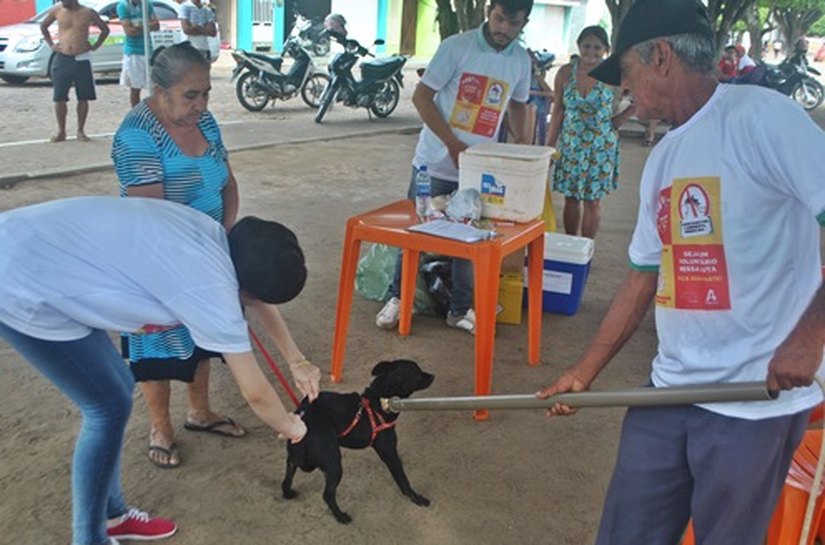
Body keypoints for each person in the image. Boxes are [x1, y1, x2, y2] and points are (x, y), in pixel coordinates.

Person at [537, 1, 825, 544]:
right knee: (627, 532)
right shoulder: (665, 157)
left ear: (662, 57)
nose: (625, 92)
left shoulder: (762, 119)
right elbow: (643, 277)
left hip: (752, 400)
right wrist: (585, 370)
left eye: (627, 75)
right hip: (668, 390)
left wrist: (809, 338)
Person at [0, 196, 321, 545]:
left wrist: (296, 359)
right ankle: (91, 537)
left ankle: (111, 515)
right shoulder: (211, 285)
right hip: (20, 282)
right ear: (247, 288)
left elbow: (256, 298)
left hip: (46, 254)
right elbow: (255, 391)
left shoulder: (219, 239)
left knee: (116, 394)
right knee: (106, 407)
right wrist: (294, 428)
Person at [111, 43, 312, 469]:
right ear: (159, 89)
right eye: (190, 95)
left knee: (206, 338)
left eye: (205, 93)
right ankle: (160, 426)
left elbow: (228, 182)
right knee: (159, 344)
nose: (201, 104)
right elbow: (153, 218)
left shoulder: (206, 122)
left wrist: (224, 236)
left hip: (211, 244)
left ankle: (199, 412)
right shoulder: (137, 136)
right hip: (161, 258)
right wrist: (204, 258)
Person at [375, 0, 534, 335]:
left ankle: (460, 309)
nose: (504, 29)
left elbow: (519, 106)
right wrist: (452, 144)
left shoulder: (520, 60)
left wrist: (522, 146)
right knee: (416, 234)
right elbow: (422, 97)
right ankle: (398, 298)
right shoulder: (456, 47)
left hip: (479, 172)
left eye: (514, 23)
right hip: (433, 163)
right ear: (488, 11)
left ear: (525, 23)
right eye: (500, 19)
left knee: (470, 239)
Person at [546, 26, 636, 239]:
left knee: (592, 200)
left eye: (597, 47)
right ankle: (571, 243)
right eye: (586, 46)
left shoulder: (615, 73)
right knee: (571, 198)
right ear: (579, 46)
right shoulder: (565, 73)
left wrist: (621, 119)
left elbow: (641, 95)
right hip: (571, 145)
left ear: (605, 49)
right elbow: (558, 111)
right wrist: (549, 147)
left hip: (600, 148)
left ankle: (586, 248)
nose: (591, 52)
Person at [39, 0, 109, 143]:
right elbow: (44, 26)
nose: (63, 2)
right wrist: (51, 44)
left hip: (81, 57)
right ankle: (61, 131)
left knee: (83, 96)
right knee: (59, 96)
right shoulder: (58, 10)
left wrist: (96, 45)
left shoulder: (87, 12)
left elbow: (105, 29)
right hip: (63, 56)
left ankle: (80, 130)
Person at [117, 0, 159, 107]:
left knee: (154, 86)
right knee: (135, 88)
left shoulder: (147, 4)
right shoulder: (123, 6)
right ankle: (136, 116)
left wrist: (138, 25)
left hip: (148, 50)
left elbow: (156, 26)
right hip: (134, 52)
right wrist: (146, 26)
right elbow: (130, 31)